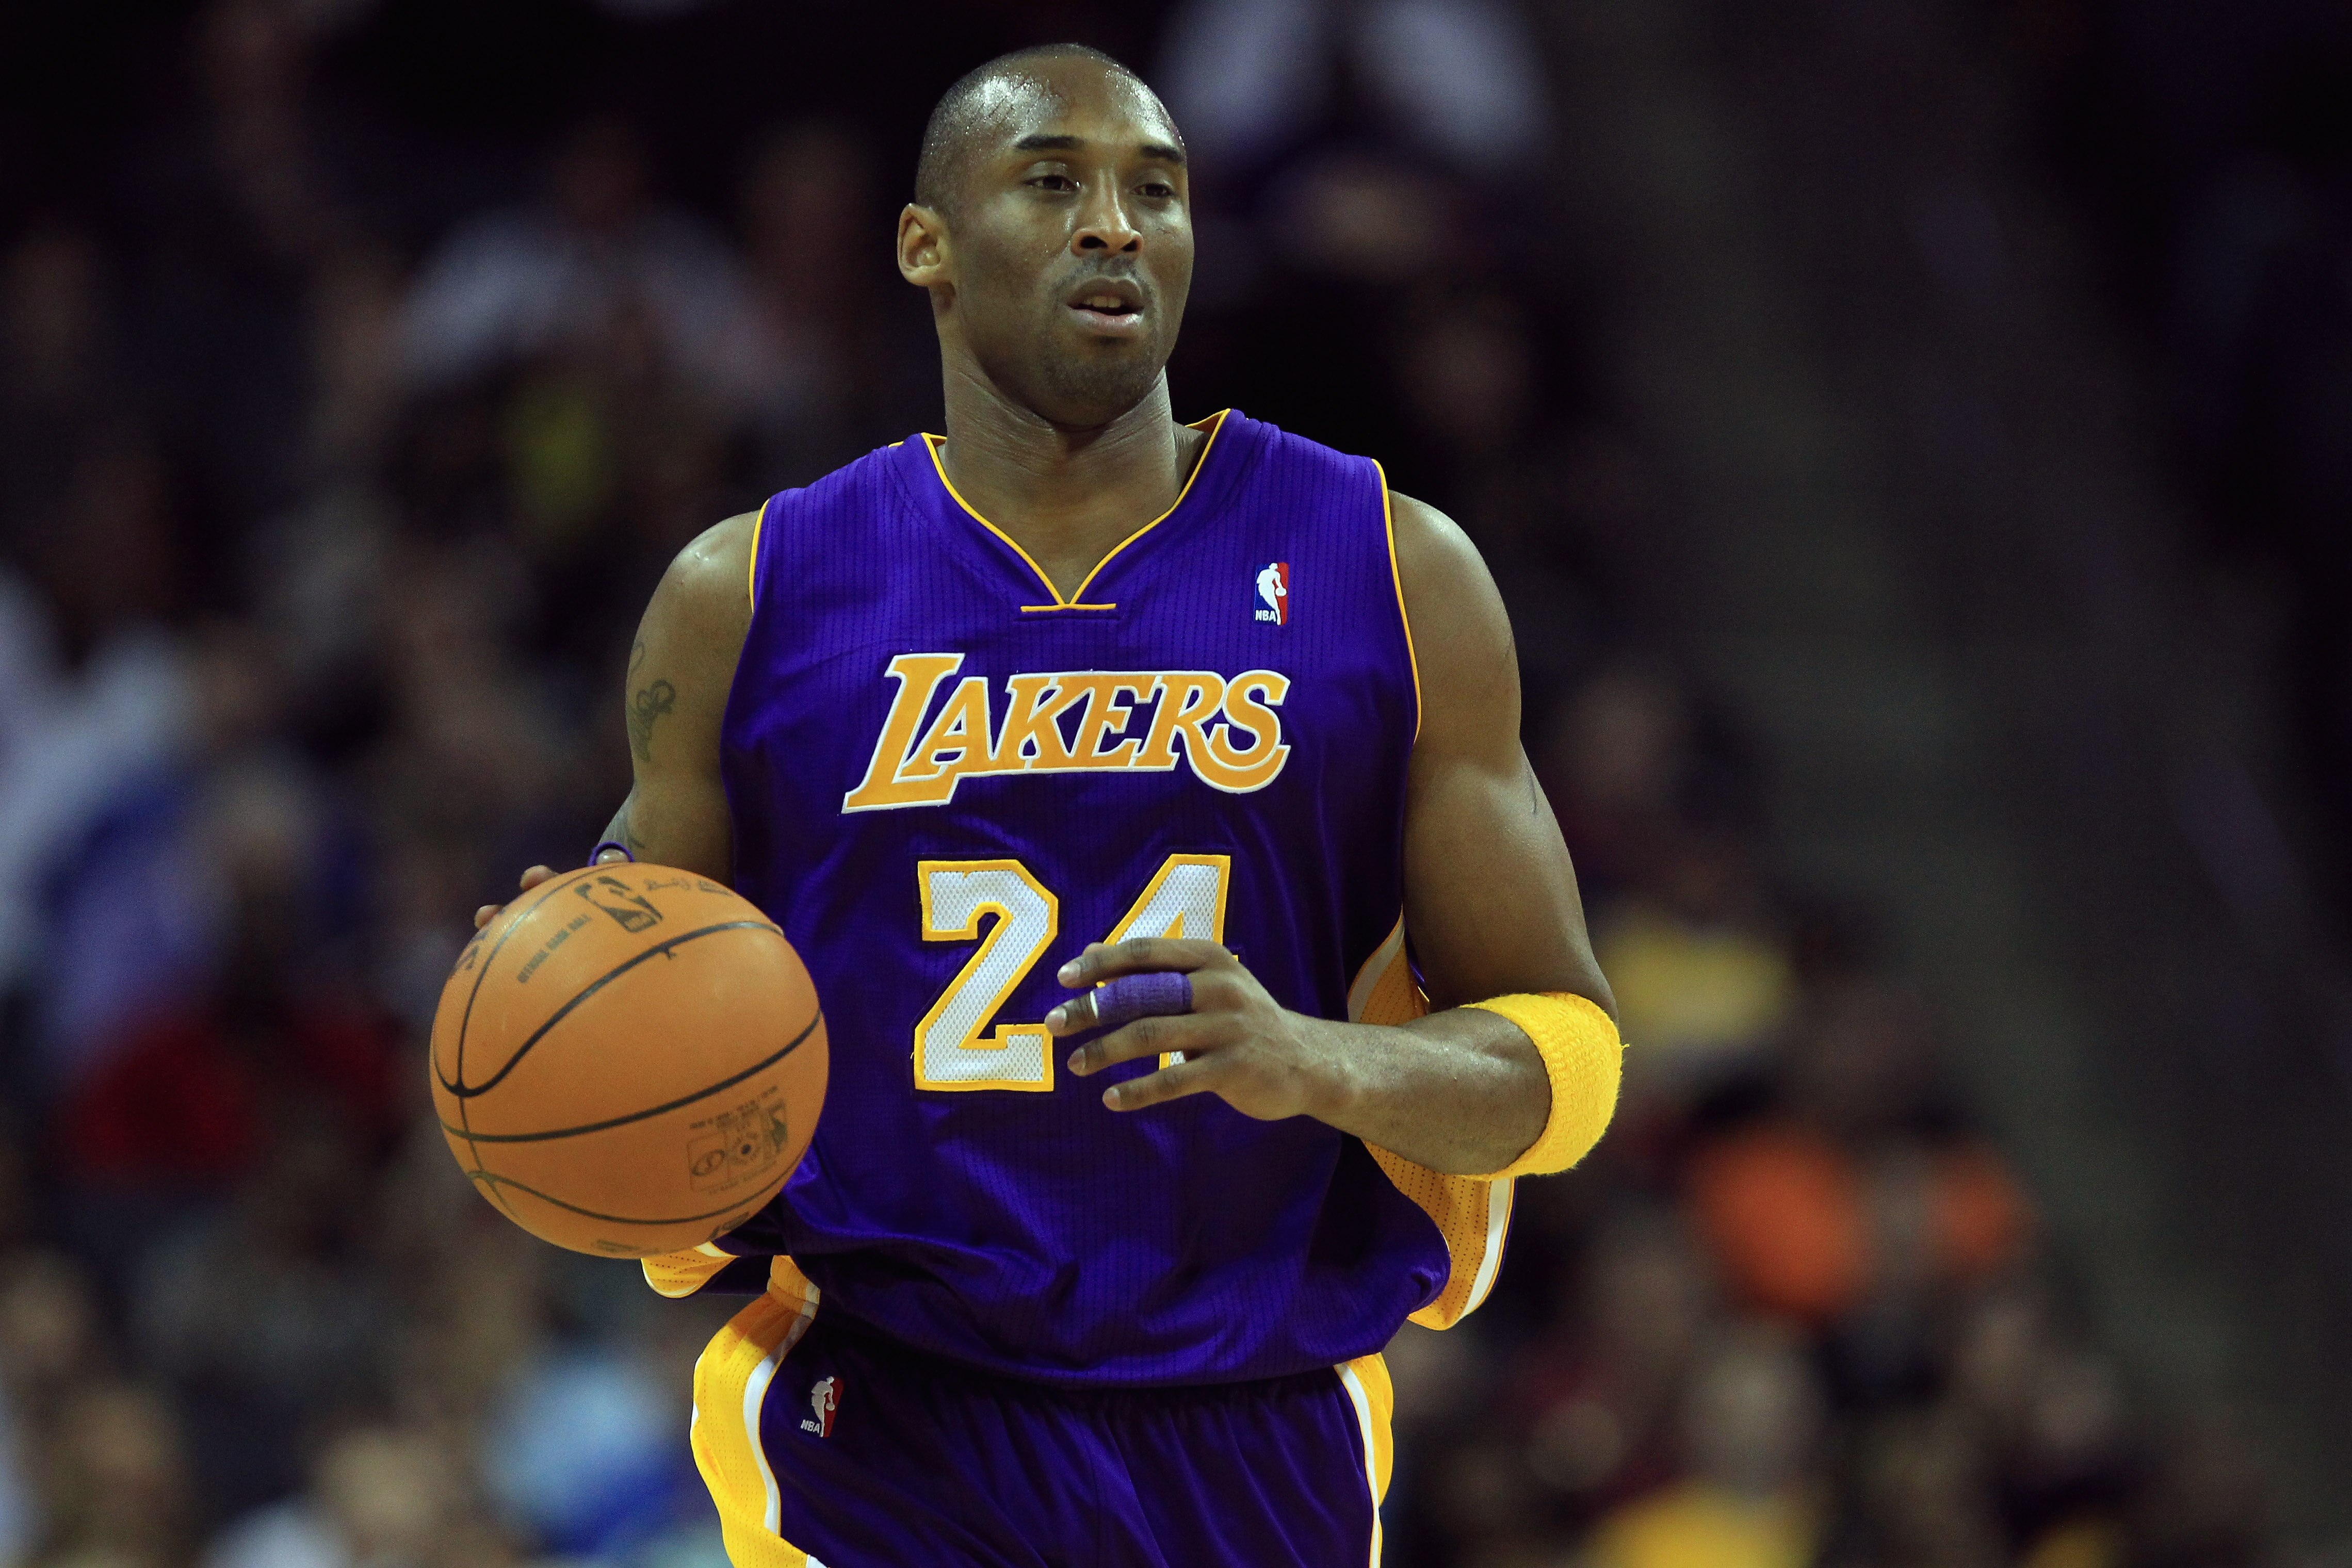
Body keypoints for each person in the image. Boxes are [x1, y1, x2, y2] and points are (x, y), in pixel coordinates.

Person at [473, 43, 1622, 1567]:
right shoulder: (747, 595)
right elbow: (647, 1015)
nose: (1117, 226)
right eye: (1054, 182)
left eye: (1159, 190)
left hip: (1255, 1415)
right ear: (923, 245)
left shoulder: (1392, 569)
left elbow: (1574, 1065)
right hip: (880, 1411)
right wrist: (562, 993)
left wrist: (1316, 1059)